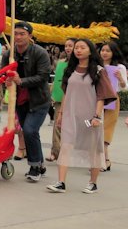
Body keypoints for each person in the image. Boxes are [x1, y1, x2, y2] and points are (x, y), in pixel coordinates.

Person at [47, 39, 117, 194]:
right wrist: (61, 114)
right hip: (71, 115)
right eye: (76, 47)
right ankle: (61, 182)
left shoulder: (99, 71)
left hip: (89, 118)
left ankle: (93, 183)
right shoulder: (70, 70)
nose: (78, 50)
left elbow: (102, 96)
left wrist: (97, 116)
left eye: (82, 47)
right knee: (66, 145)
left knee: (93, 147)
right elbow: (66, 93)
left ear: (90, 51)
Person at [2, 21, 52, 182]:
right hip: (19, 101)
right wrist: (6, 80)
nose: (18, 37)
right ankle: (40, 164)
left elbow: (43, 76)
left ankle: (35, 166)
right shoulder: (9, 54)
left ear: (30, 36)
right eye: (15, 34)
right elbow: (3, 73)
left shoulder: (40, 53)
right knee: (29, 132)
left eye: (22, 34)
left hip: (39, 100)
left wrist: (20, 81)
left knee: (30, 131)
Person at [99, 41, 128, 171]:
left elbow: (125, 88)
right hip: (98, 99)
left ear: (113, 53)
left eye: (107, 51)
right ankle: (104, 160)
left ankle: (103, 161)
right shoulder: (96, 65)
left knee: (107, 129)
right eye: (102, 50)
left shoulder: (119, 67)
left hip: (112, 100)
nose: (104, 53)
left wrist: (120, 79)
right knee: (95, 127)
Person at [48, 38, 75, 161]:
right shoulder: (61, 62)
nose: (68, 48)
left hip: (76, 99)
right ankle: (55, 152)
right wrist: (52, 93)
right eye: (66, 46)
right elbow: (57, 80)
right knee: (58, 125)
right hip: (60, 98)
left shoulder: (81, 64)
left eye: (71, 45)